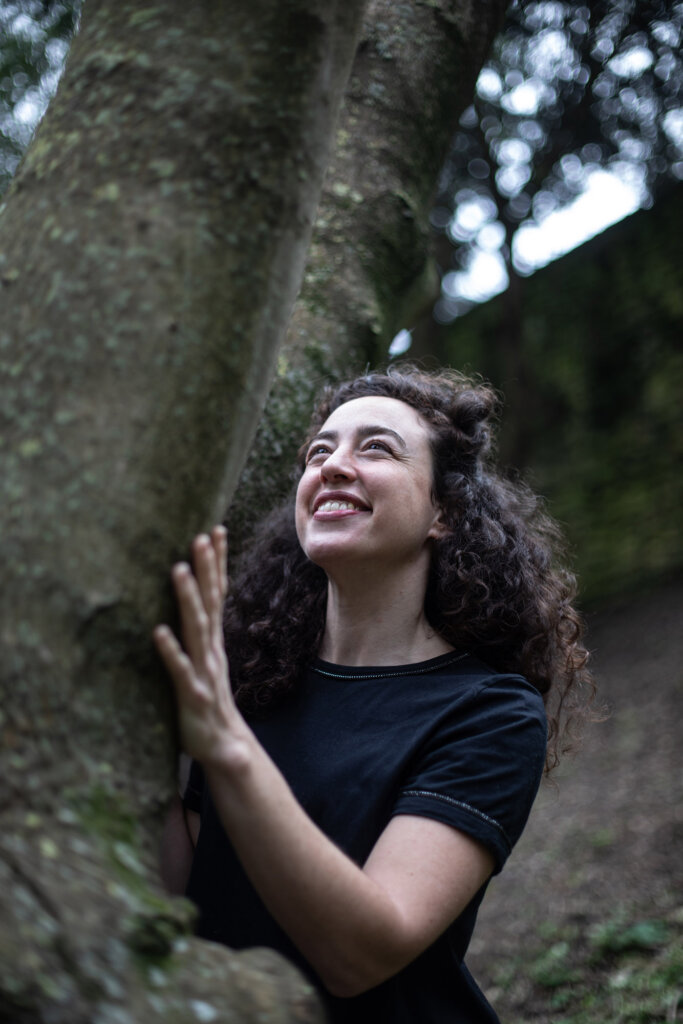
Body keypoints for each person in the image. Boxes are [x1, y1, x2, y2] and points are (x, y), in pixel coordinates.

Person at [155, 365, 593, 1024]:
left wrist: (224, 743)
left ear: (441, 512)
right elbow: (189, 895)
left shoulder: (490, 712)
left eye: (375, 448)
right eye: (318, 453)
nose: (332, 466)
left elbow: (362, 954)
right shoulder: (252, 679)